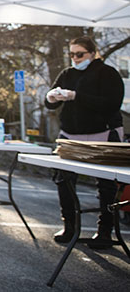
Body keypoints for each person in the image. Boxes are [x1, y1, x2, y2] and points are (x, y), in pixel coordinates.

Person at [45, 36, 125, 249]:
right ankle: (69, 225)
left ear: (92, 53)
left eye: (79, 54)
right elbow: (49, 102)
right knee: (63, 179)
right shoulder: (66, 74)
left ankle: (105, 230)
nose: (75, 58)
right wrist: (51, 98)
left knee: (106, 184)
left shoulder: (108, 74)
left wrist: (75, 96)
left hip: (102, 134)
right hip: (70, 135)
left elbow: (111, 104)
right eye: (71, 54)